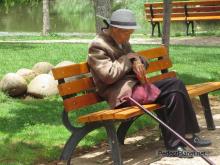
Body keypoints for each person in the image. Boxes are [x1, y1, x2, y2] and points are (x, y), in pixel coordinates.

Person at [87, 9, 211, 153]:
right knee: (175, 84)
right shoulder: (98, 46)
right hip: (122, 95)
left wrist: (137, 60)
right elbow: (108, 75)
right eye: (127, 33)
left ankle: (177, 143)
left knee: (173, 95)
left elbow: (139, 59)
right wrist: (129, 58)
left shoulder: (121, 41)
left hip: (136, 88)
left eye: (130, 34)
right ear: (114, 29)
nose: (128, 38)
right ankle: (186, 136)